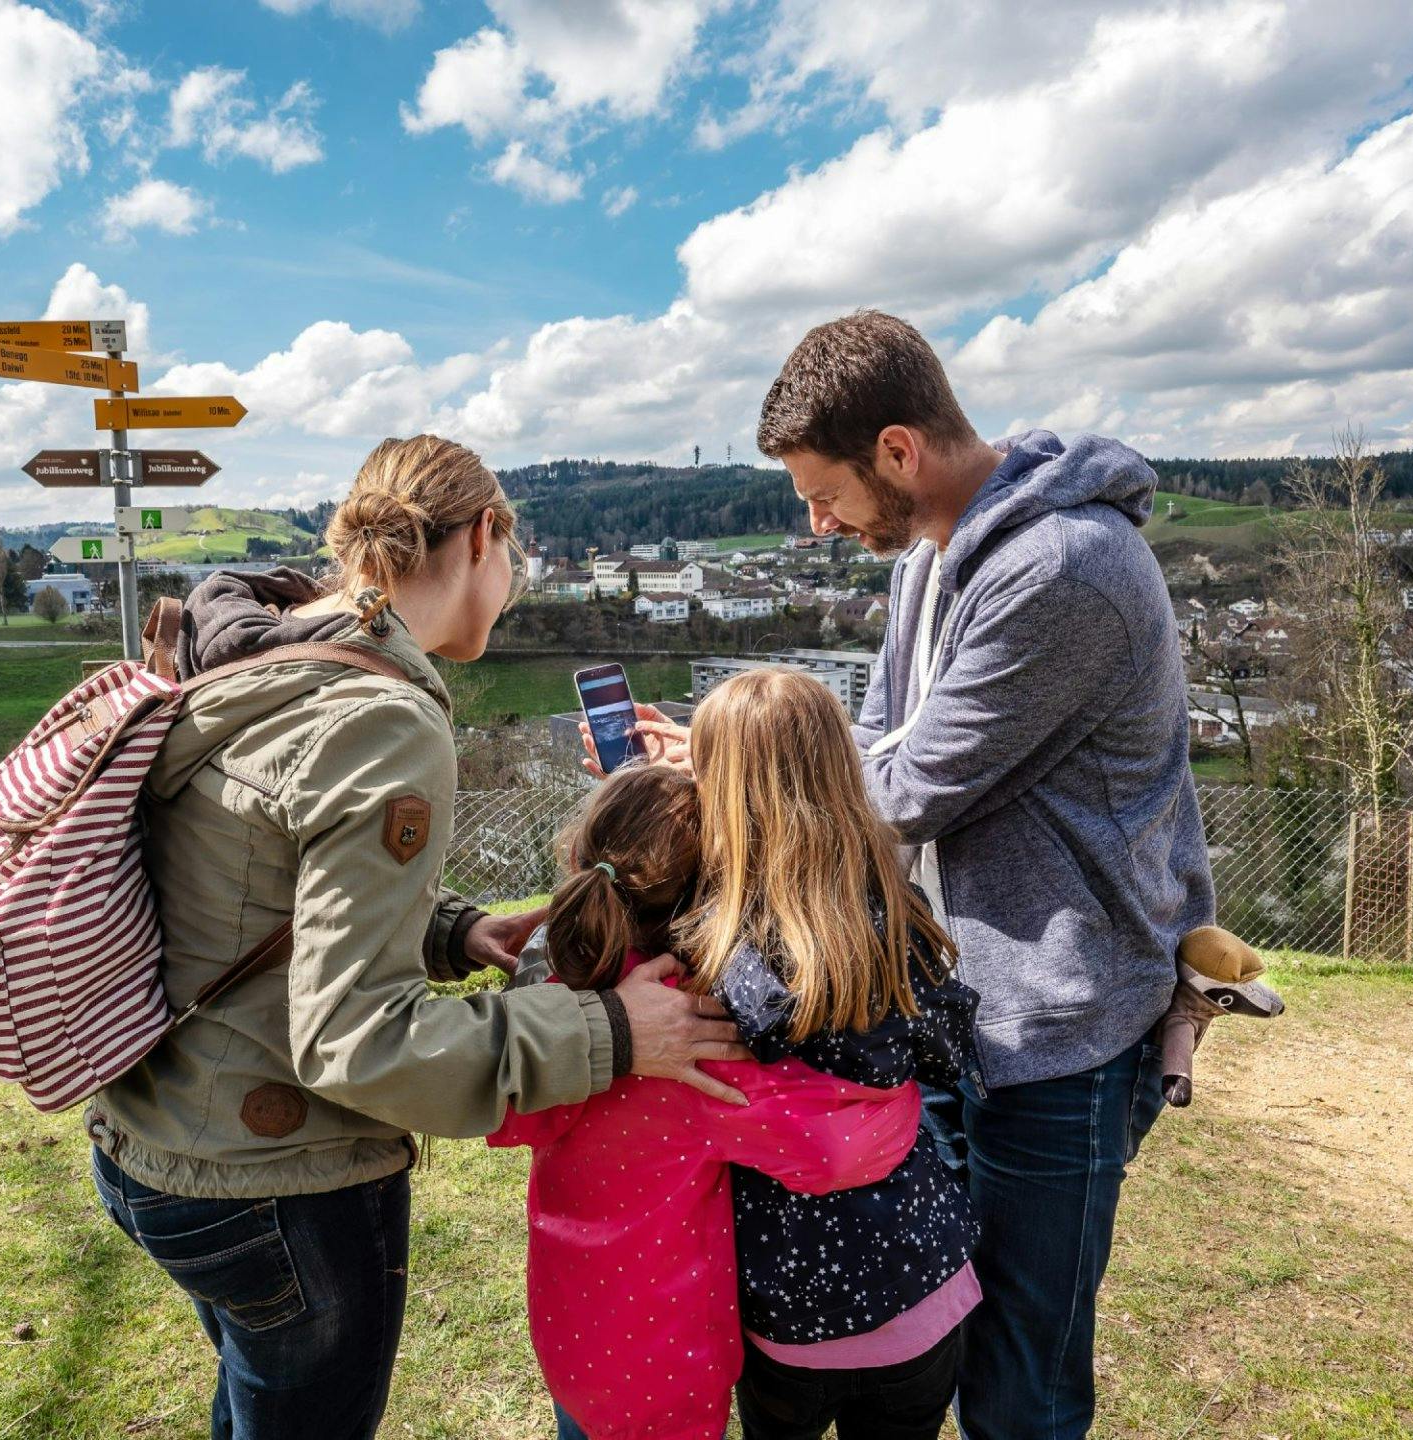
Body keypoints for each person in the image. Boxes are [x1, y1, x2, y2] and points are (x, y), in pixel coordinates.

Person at [607, 313, 1215, 1439]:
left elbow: (902, 791)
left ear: (897, 450)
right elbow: (872, 741)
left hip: (1062, 1028)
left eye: (819, 490)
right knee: (934, 1325)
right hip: (949, 1006)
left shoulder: (1065, 570)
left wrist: (737, 764)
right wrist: (768, 759)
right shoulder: (929, 561)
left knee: (1020, 1379)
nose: (816, 520)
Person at [84, 434, 750, 1440]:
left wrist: (454, 932)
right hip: (278, 1183)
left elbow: (258, 881)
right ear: (487, 536)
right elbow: (355, 1043)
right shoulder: (380, 717)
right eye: (512, 555)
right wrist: (610, 1032)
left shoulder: (270, 654)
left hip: (154, 1134)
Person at [490, 761, 925, 1440]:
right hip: (670, 1353)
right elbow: (826, 1153)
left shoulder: (558, 1007)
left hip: (568, 1324)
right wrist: (903, 1101)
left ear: (577, 857)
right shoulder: (694, 1032)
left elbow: (510, 1113)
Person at [683, 668, 983, 1440]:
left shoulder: (716, 938)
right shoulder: (895, 911)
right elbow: (948, 1050)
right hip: (922, 1293)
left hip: (788, 1308)